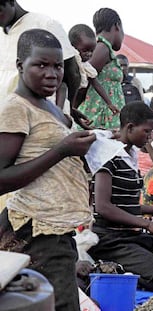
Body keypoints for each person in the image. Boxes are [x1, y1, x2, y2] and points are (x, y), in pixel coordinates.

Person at [0, 29, 96, 310]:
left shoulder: (49, 106)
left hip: (56, 229)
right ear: (20, 65)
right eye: (40, 65)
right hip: (36, 228)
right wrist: (62, 150)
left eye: (57, 65)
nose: (52, 73)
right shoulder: (16, 108)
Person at [88, 102, 153, 291]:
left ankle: (129, 275)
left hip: (131, 234)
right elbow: (103, 207)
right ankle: (118, 276)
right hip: (111, 238)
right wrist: (147, 224)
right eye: (146, 131)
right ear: (130, 127)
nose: (149, 137)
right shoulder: (108, 156)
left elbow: (125, 204)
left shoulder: (130, 155)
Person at [0, 0, 84, 125]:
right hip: (8, 117)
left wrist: (69, 108)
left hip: (45, 118)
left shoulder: (44, 24)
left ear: (11, 2)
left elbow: (73, 73)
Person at [78, 8, 125, 130]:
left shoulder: (104, 48)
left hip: (105, 119)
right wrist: (73, 111)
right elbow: (83, 80)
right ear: (117, 26)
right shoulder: (102, 47)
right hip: (98, 120)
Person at [69, 24, 120, 118]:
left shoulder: (87, 67)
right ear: (73, 47)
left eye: (92, 51)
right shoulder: (68, 64)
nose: (89, 54)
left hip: (72, 104)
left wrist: (109, 103)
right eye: (85, 51)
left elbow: (96, 84)